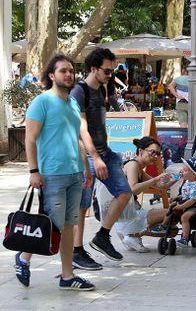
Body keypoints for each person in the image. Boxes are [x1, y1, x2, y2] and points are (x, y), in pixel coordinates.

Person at [16, 54, 95, 290]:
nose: (69, 74)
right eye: (63, 71)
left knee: (69, 224)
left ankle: (67, 276)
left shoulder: (72, 103)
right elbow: (30, 139)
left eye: (71, 70)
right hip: (51, 174)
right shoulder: (41, 102)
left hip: (74, 173)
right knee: (53, 223)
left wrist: (86, 166)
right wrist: (33, 171)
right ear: (52, 75)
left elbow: (76, 138)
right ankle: (23, 257)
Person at [71, 48, 133, 268]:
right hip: (87, 156)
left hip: (105, 152)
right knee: (82, 205)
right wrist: (94, 158)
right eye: (107, 71)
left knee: (124, 192)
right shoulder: (80, 92)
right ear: (94, 69)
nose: (110, 75)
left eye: (112, 71)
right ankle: (76, 252)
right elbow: (82, 129)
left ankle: (102, 237)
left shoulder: (102, 89)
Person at [95, 137, 177, 252]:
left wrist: (178, 177)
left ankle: (131, 234)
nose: (155, 156)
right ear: (140, 150)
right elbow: (133, 189)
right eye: (152, 152)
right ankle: (131, 235)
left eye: (158, 154)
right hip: (126, 213)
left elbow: (161, 186)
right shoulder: (133, 165)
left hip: (129, 212)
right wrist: (154, 180)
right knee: (172, 213)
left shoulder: (139, 168)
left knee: (173, 230)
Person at [168, 157, 196, 247]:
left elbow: (192, 200)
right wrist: (176, 197)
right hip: (186, 205)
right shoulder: (187, 182)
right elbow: (184, 195)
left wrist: (181, 206)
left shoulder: (195, 186)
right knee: (172, 207)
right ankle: (164, 225)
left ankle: (185, 238)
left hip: (195, 207)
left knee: (184, 217)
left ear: (192, 173)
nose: (181, 172)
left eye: (184, 170)